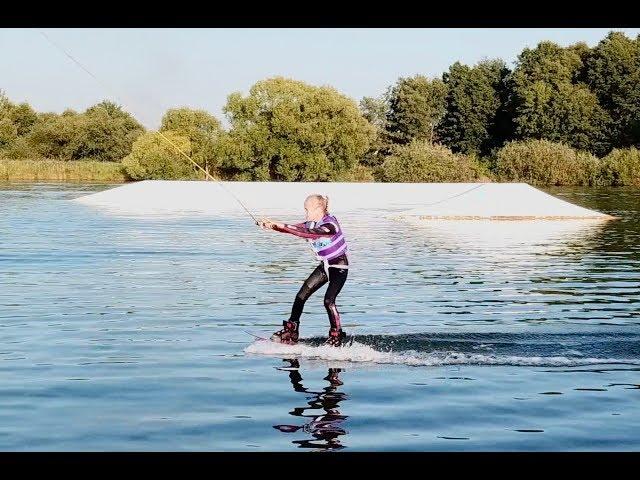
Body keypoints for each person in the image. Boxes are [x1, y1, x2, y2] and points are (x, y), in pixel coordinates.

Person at [257, 194, 349, 347]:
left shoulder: (330, 225)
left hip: (339, 266)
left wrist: (281, 224)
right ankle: (291, 330)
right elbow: (296, 228)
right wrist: (271, 226)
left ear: (319, 208)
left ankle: (336, 335)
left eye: (308, 210)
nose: (306, 214)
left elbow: (306, 233)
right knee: (301, 296)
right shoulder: (312, 223)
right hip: (325, 265)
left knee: (328, 301)